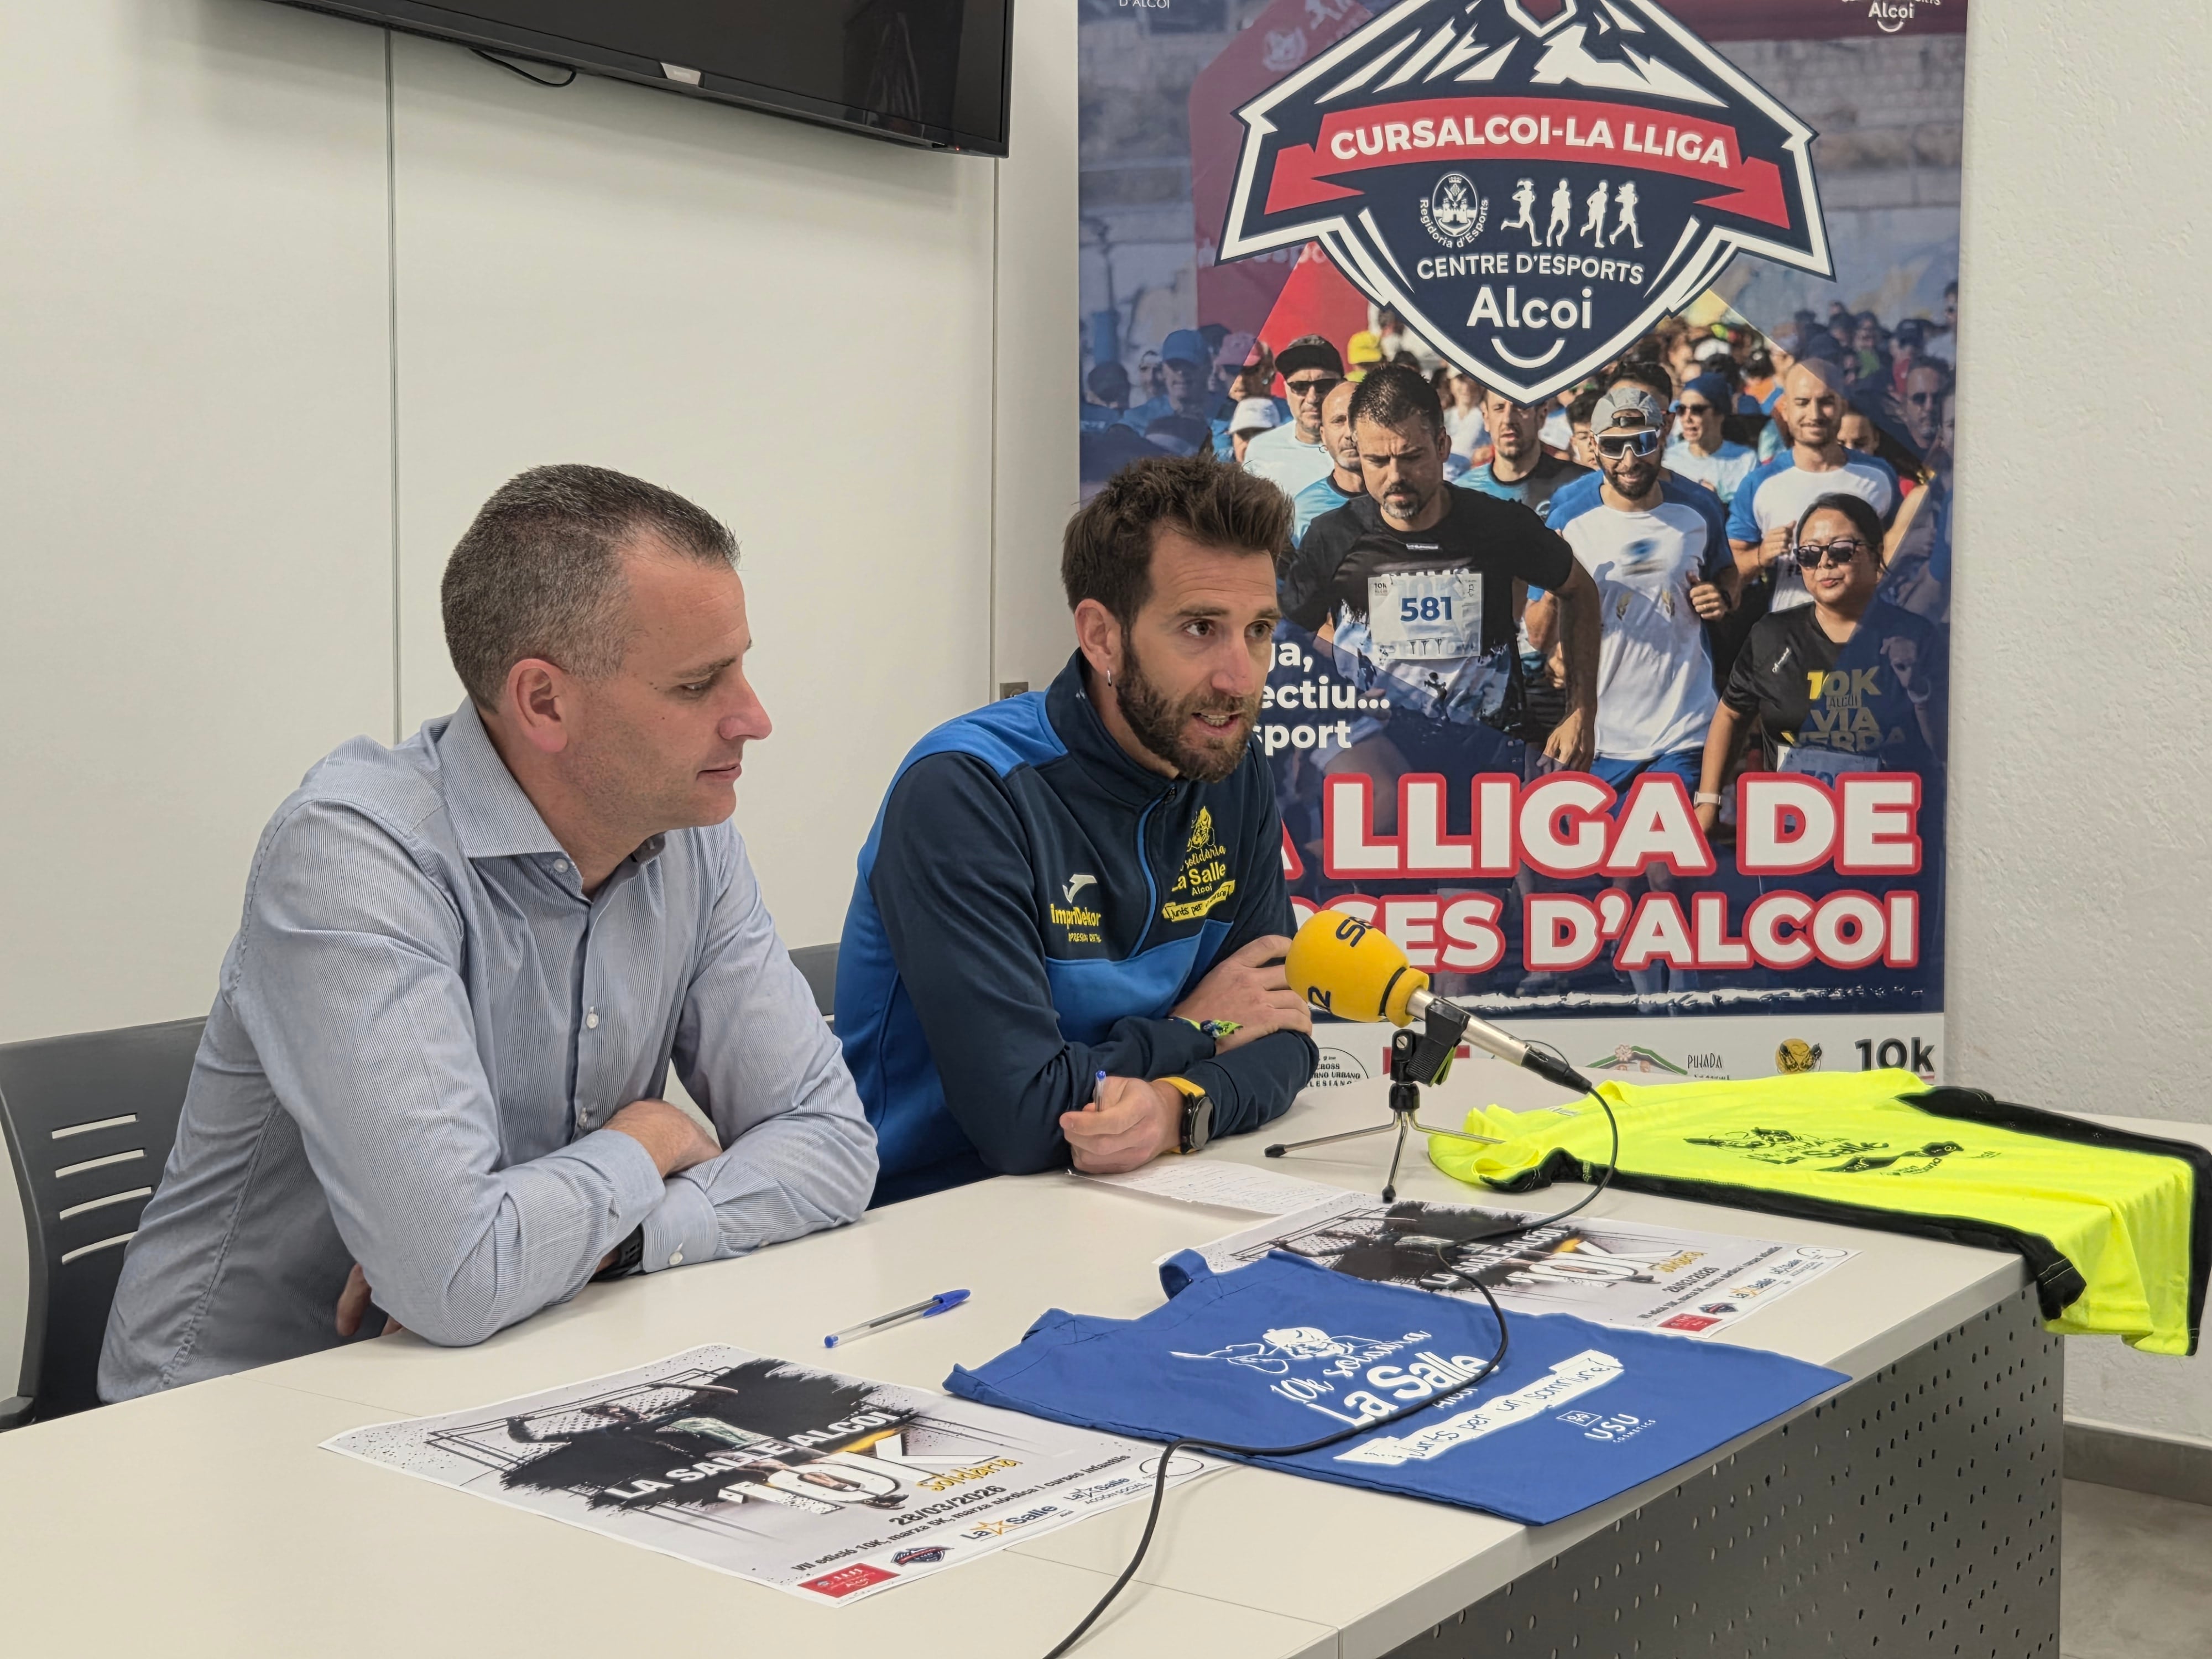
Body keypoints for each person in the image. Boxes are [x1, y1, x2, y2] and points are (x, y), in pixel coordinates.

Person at [99, 466, 877, 1400]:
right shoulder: (355, 856)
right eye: (698, 683)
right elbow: (457, 1277)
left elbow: (834, 1148)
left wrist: (617, 1238)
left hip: (523, 1366)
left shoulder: (691, 841)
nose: (753, 717)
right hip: (241, 1411)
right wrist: (651, 1138)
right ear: (543, 702)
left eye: (741, 665)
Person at [838, 455, 1318, 1206]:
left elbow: (1283, 1035)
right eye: (1200, 628)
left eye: (1258, 630)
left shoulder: (1225, 762)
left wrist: (1175, 1110)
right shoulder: (967, 790)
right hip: (932, 1214)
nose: (1240, 677)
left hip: (1129, 1191)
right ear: (1101, 638)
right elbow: (1021, 1119)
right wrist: (1197, 1028)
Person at [1281, 365, 1599, 775]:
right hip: (1384, 764)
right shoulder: (1333, 536)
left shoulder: (1500, 525)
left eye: (1412, 457)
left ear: (1443, 445)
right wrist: (1335, 704)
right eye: (1377, 460)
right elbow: (1287, 639)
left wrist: (1580, 711)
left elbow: (1580, 589)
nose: (1396, 476)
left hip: (1492, 762)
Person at [1695, 492, 1944, 831]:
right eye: (1809, 555)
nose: (1824, 563)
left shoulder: (1916, 637)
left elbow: (1947, 748)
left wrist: (1918, 689)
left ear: (1876, 553)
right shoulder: (1772, 635)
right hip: (1793, 833)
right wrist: (1709, 801)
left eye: (1841, 550)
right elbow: (1730, 714)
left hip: (1892, 832)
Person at [1550, 387, 1736, 795]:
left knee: (1660, 839)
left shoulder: (1700, 507)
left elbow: (1728, 575)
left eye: (1643, 442)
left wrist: (1720, 596)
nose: (1630, 459)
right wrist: (1555, 599)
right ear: (1593, 446)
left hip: (1686, 729)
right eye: (1614, 446)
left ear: (1663, 436)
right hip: (1601, 736)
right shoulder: (1568, 518)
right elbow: (1536, 628)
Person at [1728, 358, 1898, 612]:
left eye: (1826, 402)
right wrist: (1761, 556)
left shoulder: (1879, 475)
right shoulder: (1759, 483)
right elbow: (1729, 572)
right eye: (1803, 402)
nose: (1815, 414)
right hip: (1792, 625)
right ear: (1785, 410)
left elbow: (1903, 548)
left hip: (1868, 624)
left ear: (1842, 406)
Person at [1460, 381, 1590, 524]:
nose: (1508, 420)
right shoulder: (1465, 493)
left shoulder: (1581, 485)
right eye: (1499, 408)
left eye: (1520, 408)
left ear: (1541, 416)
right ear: (1486, 418)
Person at [1240, 333, 1343, 499]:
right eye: (1300, 386)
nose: (1312, 398)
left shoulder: (1363, 446)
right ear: (1287, 390)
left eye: (1323, 385)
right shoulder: (1261, 449)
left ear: (1342, 386)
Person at [1665, 372, 1759, 504]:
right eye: (1681, 410)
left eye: (1697, 410)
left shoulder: (1747, 461)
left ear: (1720, 414)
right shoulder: (1668, 461)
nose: (1687, 418)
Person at [1290, 378, 1365, 543]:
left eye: (1357, 419)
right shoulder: (1303, 511)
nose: (1350, 433)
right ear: (1323, 436)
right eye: (1338, 421)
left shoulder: (1398, 497)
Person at [1119, 328, 1217, 436]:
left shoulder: (1225, 417)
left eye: (1189, 366)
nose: (1181, 372)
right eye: (1174, 365)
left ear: (1208, 369)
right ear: (1164, 370)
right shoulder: (1138, 421)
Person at [1229, 397, 1281, 466]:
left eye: (1260, 436)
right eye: (1244, 435)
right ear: (1234, 437)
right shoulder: (1218, 464)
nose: (1250, 444)